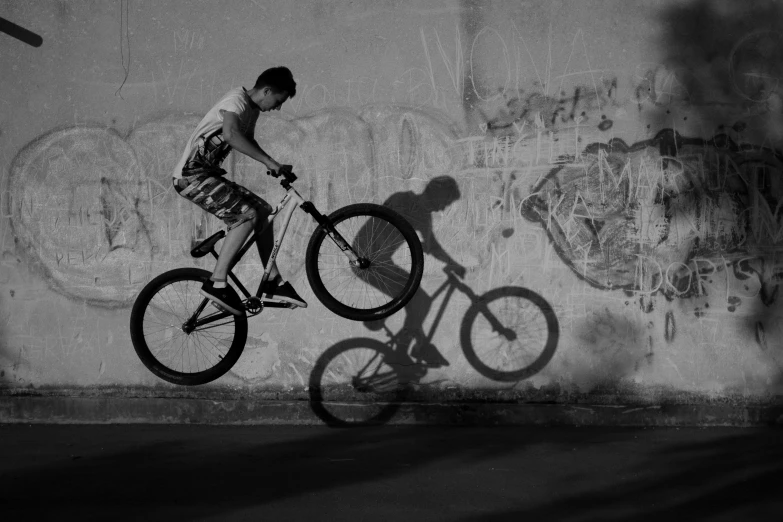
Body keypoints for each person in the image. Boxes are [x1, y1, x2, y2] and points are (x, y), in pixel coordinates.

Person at [172, 66, 306, 315]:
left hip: (206, 175)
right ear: (266, 90)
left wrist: (273, 163)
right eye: (278, 101)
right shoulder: (237, 101)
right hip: (190, 177)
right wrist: (270, 163)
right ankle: (217, 282)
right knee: (245, 216)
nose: (277, 108)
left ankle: (272, 280)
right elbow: (231, 134)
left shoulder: (251, 110)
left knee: (263, 211)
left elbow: (248, 140)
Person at [361, 176, 465, 367]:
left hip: (381, 262)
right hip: (366, 259)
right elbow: (382, 229)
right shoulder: (402, 200)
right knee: (420, 301)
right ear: (437, 194)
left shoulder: (424, 217)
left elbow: (432, 246)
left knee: (419, 302)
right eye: (445, 202)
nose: (443, 209)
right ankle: (405, 346)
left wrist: (453, 263)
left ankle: (417, 345)